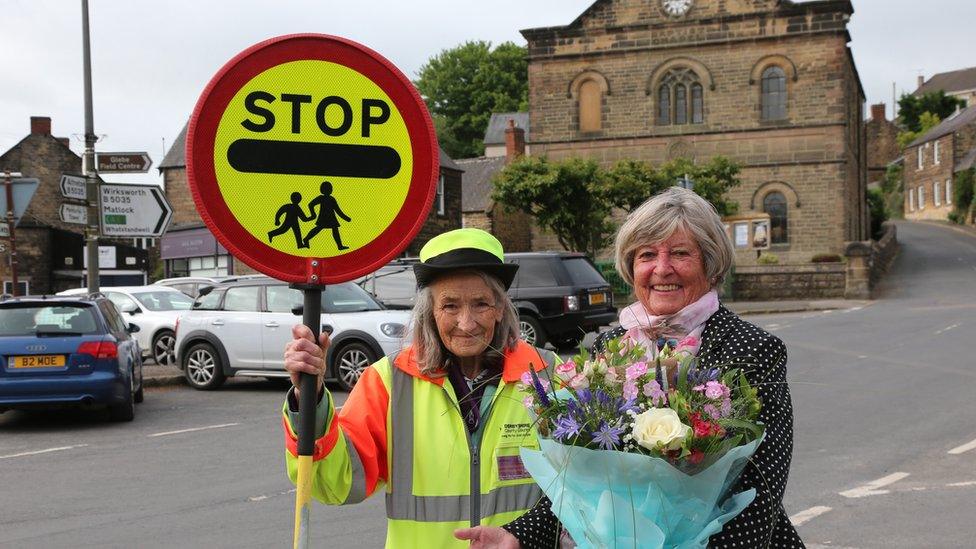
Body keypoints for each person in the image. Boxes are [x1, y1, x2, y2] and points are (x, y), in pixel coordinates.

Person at [505, 187, 802, 548]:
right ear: (631, 268)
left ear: (710, 265)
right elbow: (576, 479)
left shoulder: (753, 349)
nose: (662, 269)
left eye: (680, 253)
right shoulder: (609, 347)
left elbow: (761, 489)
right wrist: (517, 536)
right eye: (647, 255)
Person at [281, 228, 561, 548]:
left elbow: (579, 490)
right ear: (430, 311)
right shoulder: (389, 381)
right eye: (451, 306)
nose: (466, 323)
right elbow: (335, 484)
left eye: (481, 303)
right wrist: (310, 397)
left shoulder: (547, 374)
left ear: (500, 308)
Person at [303, 180, 352, 250]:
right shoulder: (321, 198)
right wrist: (313, 214)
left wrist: (345, 218)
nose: (330, 190)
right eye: (329, 189)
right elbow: (311, 204)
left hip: (331, 217)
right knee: (319, 229)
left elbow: (337, 210)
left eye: (330, 188)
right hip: (324, 217)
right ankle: (306, 239)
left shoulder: (332, 199)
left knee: (334, 229)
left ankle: (340, 246)